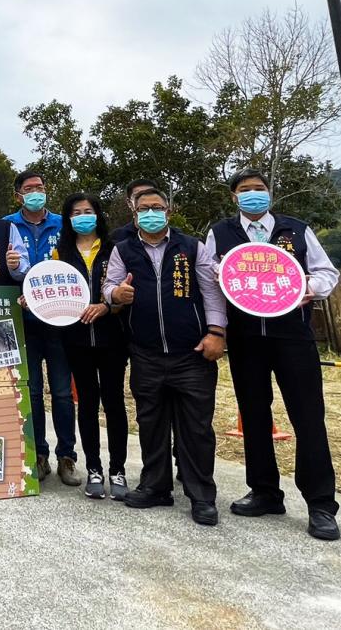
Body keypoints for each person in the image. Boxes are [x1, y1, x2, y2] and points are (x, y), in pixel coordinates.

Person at [204, 169, 341, 540]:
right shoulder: (221, 232)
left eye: (259, 189)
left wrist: (301, 287)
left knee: (308, 417)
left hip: (293, 336)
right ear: (234, 196)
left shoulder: (295, 229)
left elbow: (327, 273)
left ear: (270, 192)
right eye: (244, 190)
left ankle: (321, 504)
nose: (253, 195)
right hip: (247, 338)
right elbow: (212, 275)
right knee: (254, 412)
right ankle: (265, 491)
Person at [103, 187, 227, 526]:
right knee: (151, 423)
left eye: (157, 207)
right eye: (144, 208)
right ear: (134, 214)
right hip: (146, 353)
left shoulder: (192, 247)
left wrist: (216, 332)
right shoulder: (124, 250)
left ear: (168, 212)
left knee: (197, 428)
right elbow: (108, 288)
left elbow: (211, 291)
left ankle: (201, 495)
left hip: (193, 353)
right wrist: (117, 293)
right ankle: (156, 486)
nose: (151, 213)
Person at [3, 170, 79, 485]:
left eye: (41, 187)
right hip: (25, 324)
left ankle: (67, 457)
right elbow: (8, 271)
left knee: (62, 393)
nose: (36, 192)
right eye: (29, 188)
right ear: (19, 195)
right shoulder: (7, 225)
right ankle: (38, 454)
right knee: (32, 392)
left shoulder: (63, 224)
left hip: (59, 323)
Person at [54, 192, 129, 501]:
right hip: (76, 339)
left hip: (113, 338)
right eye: (76, 212)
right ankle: (94, 469)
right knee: (86, 403)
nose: (83, 216)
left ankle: (118, 470)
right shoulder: (60, 252)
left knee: (114, 402)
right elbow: (53, 293)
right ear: (68, 218)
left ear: (98, 214)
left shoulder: (116, 249)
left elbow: (126, 293)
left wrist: (106, 307)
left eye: (88, 210)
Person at [110, 178, 159, 244]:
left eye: (149, 195)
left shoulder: (174, 235)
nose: (145, 200)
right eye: (138, 196)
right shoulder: (117, 237)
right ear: (129, 203)